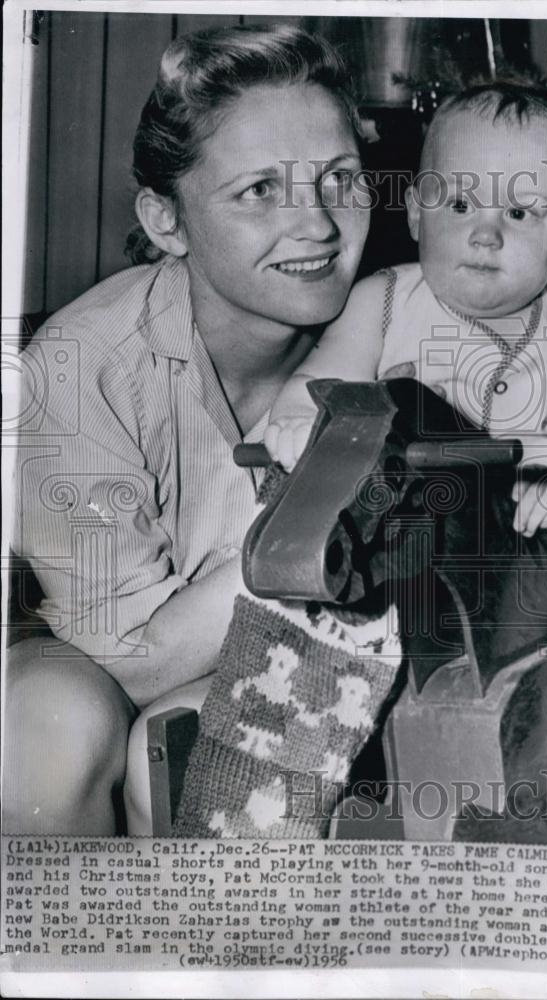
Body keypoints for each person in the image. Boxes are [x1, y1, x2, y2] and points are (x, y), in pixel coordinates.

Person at [4, 25, 373, 835]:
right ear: (166, 221)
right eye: (260, 190)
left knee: (210, 747)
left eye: (341, 179)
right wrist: (305, 530)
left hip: (319, 650)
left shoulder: (406, 323)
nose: (317, 224)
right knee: (48, 734)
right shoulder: (77, 367)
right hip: (95, 650)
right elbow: (131, 657)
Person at [267, 83, 547, 790]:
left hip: (542, 532)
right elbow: (320, 386)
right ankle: (303, 770)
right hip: (406, 537)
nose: (487, 233)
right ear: (418, 212)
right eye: (460, 205)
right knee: (314, 607)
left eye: (520, 212)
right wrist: (303, 433)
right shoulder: (384, 301)